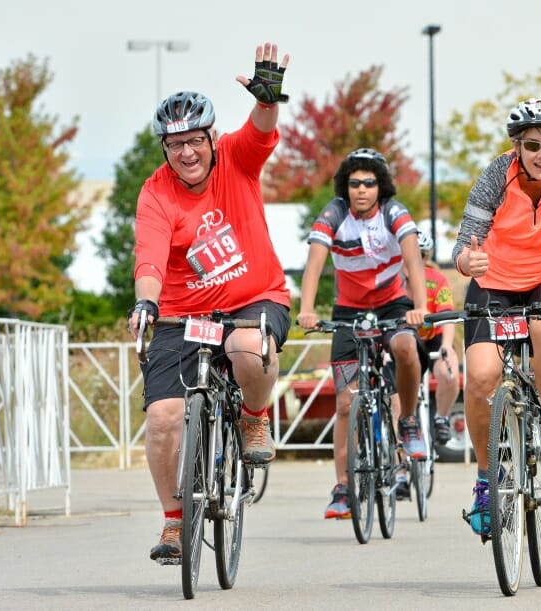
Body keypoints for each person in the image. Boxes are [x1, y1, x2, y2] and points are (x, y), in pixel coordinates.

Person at [127, 42, 293, 565]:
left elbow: (261, 130)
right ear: (164, 148)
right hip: (183, 315)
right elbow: (150, 260)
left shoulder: (236, 162)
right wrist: (147, 305)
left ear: (212, 138)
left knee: (248, 347)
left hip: (254, 299)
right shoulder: (156, 193)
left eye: (195, 141)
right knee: (163, 418)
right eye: (175, 144)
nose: (187, 153)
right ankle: (174, 522)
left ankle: (253, 416)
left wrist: (267, 100)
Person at [452, 97, 541, 536]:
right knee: (479, 378)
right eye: (532, 144)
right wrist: (465, 263)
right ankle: (484, 481)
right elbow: (463, 244)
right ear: (517, 145)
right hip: (494, 280)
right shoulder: (496, 174)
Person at [296, 148, 429, 520]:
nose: (361, 190)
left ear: (380, 186)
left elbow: (413, 261)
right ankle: (342, 487)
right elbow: (314, 264)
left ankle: (408, 421)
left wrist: (420, 306)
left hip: (392, 304)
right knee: (343, 403)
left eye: (369, 183)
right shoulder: (335, 213)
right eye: (354, 183)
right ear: (346, 187)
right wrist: (306, 310)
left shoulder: (394, 212)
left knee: (405, 347)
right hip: (349, 311)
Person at [411, 230, 461, 445]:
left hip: (433, 336)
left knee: (449, 371)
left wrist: (448, 347)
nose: (414, 261)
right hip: (403, 337)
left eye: (420, 256)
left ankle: (441, 417)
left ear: (426, 257)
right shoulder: (392, 279)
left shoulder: (436, 279)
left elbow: (447, 315)